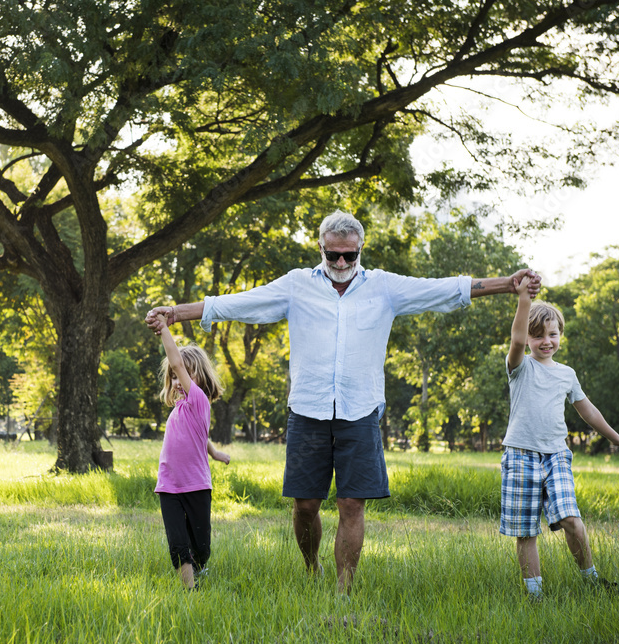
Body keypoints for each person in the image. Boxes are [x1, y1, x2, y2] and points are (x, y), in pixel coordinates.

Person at [146, 209, 541, 593]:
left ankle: (343, 589)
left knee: (352, 505)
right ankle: (311, 565)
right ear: (320, 247)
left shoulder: (383, 286)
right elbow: (242, 303)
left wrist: (508, 284)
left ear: (360, 249)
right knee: (305, 506)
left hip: (360, 409)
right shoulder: (297, 284)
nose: (340, 261)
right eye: (332, 253)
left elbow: (443, 289)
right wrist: (179, 313)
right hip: (307, 408)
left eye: (349, 254)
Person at [501, 275, 619, 601]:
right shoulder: (519, 367)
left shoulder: (567, 374)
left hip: (556, 455)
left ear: (561, 335)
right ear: (530, 340)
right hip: (520, 454)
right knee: (526, 531)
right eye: (538, 336)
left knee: (571, 520)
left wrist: (616, 438)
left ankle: (591, 579)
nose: (545, 341)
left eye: (552, 334)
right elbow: (516, 340)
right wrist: (524, 299)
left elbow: (587, 411)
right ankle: (535, 596)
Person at [154, 310, 231, 590]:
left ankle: (200, 568)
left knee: (201, 545)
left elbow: (176, 361)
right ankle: (189, 591)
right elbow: (198, 437)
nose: (178, 379)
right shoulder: (178, 410)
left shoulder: (199, 401)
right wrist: (215, 452)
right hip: (168, 485)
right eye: (173, 377)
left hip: (196, 485)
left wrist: (164, 328)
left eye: (184, 374)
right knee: (178, 542)